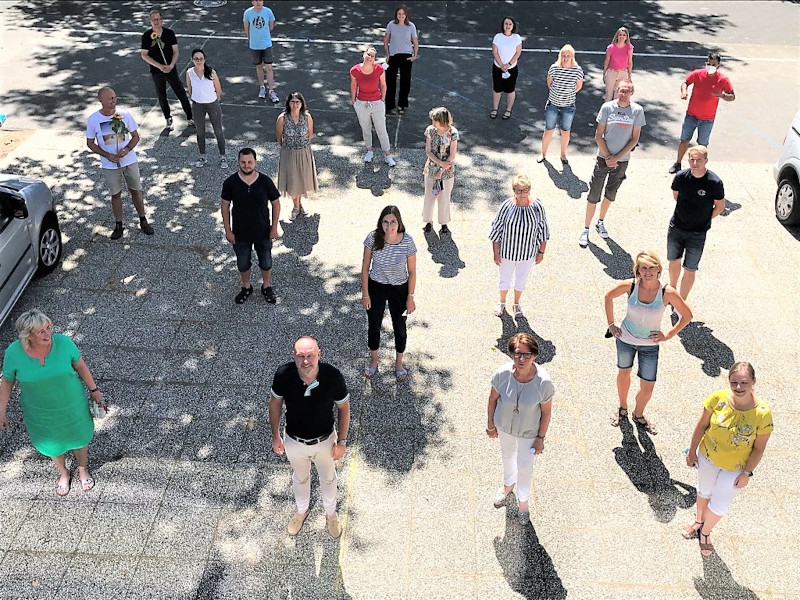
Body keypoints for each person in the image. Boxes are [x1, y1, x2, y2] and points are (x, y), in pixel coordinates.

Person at [0, 310, 105, 497]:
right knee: (51, 443)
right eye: (41, 332)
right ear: (28, 336)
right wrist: (1, 410)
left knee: (79, 438)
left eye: (48, 328)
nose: (48, 334)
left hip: (72, 405)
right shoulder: (13, 353)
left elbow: (80, 366)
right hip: (39, 412)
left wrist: (94, 391)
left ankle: (82, 469)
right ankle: (63, 473)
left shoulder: (64, 343)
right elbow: (7, 381)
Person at [683, 362, 773, 556]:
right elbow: (701, 426)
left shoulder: (762, 413)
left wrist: (747, 473)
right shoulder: (718, 398)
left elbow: (759, 448)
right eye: (734, 382)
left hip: (736, 467)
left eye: (744, 382)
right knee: (704, 491)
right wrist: (692, 451)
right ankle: (699, 520)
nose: (738, 387)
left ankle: (705, 532)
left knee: (721, 503)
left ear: (753, 382)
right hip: (708, 457)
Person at [269, 336, 351, 538]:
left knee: (328, 478)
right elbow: (275, 404)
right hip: (294, 441)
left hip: (324, 442)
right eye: (301, 356)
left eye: (310, 356)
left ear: (319, 355)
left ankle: (331, 514)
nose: (306, 361)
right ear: (294, 357)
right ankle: (301, 510)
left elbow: (344, 408)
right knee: (300, 478)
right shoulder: (283, 374)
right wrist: (276, 436)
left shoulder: (332, 376)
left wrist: (341, 441)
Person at [604, 250, 692, 435]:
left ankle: (638, 414)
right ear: (638, 270)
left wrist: (668, 335)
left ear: (659, 269)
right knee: (623, 373)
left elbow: (687, 315)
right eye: (643, 268)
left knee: (648, 385)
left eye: (651, 267)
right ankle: (622, 408)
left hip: (650, 345)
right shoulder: (631, 286)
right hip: (626, 339)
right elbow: (608, 297)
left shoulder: (667, 292)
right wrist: (611, 324)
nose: (648, 271)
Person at [486, 333, 553, 524]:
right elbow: (492, 399)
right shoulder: (502, 374)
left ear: (534, 356)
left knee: (525, 466)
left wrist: (541, 438)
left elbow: (546, 413)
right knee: (507, 457)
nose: (521, 359)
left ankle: (523, 502)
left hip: (529, 432)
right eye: (517, 354)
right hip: (505, 427)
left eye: (526, 355)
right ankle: (507, 486)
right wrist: (490, 424)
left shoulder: (544, 382)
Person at [578, 79, 645, 248]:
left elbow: (635, 138)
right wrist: (608, 156)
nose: (623, 94)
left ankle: (600, 222)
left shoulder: (637, 111)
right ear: (616, 91)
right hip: (603, 158)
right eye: (621, 90)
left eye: (627, 91)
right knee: (594, 193)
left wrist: (617, 158)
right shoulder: (607, 108)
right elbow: (598, 135)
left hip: (622, 161)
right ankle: (585, 228)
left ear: (632, 92)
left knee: (611, 192)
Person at [86, 86, 155, 240]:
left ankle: (143, 220)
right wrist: (106, 155)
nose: (114, 101)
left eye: (115, 98)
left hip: (129, 161)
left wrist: (128, 149)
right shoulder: (93, 120)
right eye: (110, 98)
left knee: (136, 191)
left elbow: (135, 136)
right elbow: (90, 143)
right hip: (109, 165)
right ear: (101, 100)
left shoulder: (124, 115)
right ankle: (118, 224)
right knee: (115, 194)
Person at [361, 205, 416, 381]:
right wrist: (365, 294)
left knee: (399, 327)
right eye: (385, 222)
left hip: (399, 288)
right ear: (381, 222)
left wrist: (410, 297)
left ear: (398, 222)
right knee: (374, 325)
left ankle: (399, 363)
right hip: (376, 286)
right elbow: (364, 268)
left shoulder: (407, 241)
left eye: (393, 222)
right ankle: (374, 359)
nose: (389, 226)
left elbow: (412, 272)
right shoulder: (373, 238)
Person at [220, 148, 280, 304]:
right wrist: (228, 230)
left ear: (255, 162)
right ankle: (246, 287)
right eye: (243, 162)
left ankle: (266, 286)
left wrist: (274, 227)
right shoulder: (230, 183)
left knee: (266, 262)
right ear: (238, 162)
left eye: (250, 162)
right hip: (240, 233)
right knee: (243, 263)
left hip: (263, 232)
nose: (246, 165)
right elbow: (224, 206)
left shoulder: (265, 181)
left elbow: (276, 203)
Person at [667, 145, 725, 301]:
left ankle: (681, 301)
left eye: (699, 160)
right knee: (674, 260)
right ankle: (671, 292)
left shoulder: (714, 182)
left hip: (698, 233)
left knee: (690, 268)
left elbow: (720, 206)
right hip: (677, 227)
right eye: (692, 159)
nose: (695, 163)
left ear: (706, 161)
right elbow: (676, 196)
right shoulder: (680, 177)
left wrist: (704, 218)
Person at [488, 174, 550, 319]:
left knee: (521, 280)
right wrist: (496, 253)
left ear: (529, 189)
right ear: (513, 190)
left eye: (525, 190)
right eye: (518, 190)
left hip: (527, 253)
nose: (522, 194)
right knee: (504, 279)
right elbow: (496, 229)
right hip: (507, 252)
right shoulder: (506, 206)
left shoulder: (537, 206)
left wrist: (541, 252)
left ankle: (516, 304)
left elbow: (543, 229)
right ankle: (502, 302)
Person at [669, 53, 735, 174]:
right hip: (691, 115)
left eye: (713, 65)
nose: (710, 66)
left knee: (702, 145)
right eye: (708, 64)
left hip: (707, 118)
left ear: (718, 65)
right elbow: (685, 82)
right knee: (684, 140)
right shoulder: (698, 74)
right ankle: (678, 163)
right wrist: (684, 92)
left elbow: (732, 96)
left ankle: (699, 167)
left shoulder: (723, 80)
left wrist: (723, 95)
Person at [140, 8, 193, 130]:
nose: (156, 22)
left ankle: (190, 117)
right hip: (156, 72)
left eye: (158, 19)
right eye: (154, 20)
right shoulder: (147, 36)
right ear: (150, 21)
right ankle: (168, 118)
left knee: (181, 93)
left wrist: (170, 65)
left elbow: (176, 51)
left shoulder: (169, 33)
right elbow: (144, 55)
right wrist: (160, 66)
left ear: (162, 20)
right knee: (162, 95)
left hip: (171, 69)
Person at [538, 44, 584, 164]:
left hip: (568, 106)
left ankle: (563, 154)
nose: (566, 58)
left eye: (568, 56)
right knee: (549, 129)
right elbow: (549, 82)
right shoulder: (554, 68)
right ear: (560, 56)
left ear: (572, 57)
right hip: (553, 104)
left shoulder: (577, 70)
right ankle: (543, 153)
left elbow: (578, 86)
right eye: (564, 55)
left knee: (565, 131)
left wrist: (568, 93)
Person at [276, 92, 319, 221]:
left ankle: (298, 204)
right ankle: (295, 206)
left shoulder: (307, 117)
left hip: (303, 151)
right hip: (289, 153)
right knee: (293, 179)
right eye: (292, 102)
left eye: (297, 102)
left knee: (301, 179)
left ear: (302, 104)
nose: (295, 105)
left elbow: (309, 134)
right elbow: (279, 137)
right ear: (288, 103)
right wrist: (289, 147)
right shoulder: (282, 118)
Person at [350, 47, 396, 166]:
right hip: (362, 103)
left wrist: (382, 100)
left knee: (382, 129)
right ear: (364, 55)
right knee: (366, 128)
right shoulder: (355, 70)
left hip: (376, 103)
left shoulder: (379, 69)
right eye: (368, 55)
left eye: (372, 56)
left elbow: (383, 85)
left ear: (374, 59)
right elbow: (353, 85)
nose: (369, 58)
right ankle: (369, 151)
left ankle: (387, 155)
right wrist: (354, 101)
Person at [186, 48, 227, 169]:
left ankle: (223, 156)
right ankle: (203, 155)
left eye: (201, 59)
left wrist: (215, 100)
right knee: (200, 131)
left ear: (205, 59)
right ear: (192, 60)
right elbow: (190, 89)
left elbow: (218, 89)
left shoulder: (211, 72)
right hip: (198, 105)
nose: (199, 61)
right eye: (196, 59)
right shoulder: (189, 73)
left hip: (212, 104)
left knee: (218, 130)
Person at [422, 107, 459, 235]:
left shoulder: (452, 133)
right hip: (431, 169)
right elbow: (428, 151)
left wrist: (441, 170)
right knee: (429, 196)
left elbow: (452, 155)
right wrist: (439, 164)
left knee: (444, 198)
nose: (433, 123)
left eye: (435, 120)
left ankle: (444, 223)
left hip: (447, 172)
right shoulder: (430, 131)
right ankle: (428, 221)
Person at [383, 4, 419, 116]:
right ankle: (389, 105)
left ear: (406, 15)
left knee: (405, 82)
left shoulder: (411, 26)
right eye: (399, 14)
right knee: (390, 81)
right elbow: (386, 40)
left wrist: (415, 55)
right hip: (394, 56)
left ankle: (402, 105)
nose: (401, 16)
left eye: (403, 14)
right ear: (396, 15)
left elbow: (415, 41)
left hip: (406, 56)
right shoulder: (391, 25)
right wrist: (388, 54)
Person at [243, 0, 279, 102]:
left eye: (260, 0)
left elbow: (271, 26)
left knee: (269, 67)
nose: (258, 3)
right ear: (252, 2)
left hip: (266, 44)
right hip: (254, 45)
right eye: (255, 0)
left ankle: (271, 90)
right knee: (259, 67)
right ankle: (262, 87)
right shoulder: (247, 13)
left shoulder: (268, 12)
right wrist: (252, 39)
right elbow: (247, 28)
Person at [490, 17, 523, 120]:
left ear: (513, 26)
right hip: (498, 68)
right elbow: (495, 51)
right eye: (506, 24)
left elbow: (518, 52)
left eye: (510, 24)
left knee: (510, 90)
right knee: (497, 89)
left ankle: (508, 110)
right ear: (503, 25)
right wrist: (501, 65)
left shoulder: (516, 38)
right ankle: (495, 109)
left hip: (511, 68)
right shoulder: (498, 37)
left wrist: (508, 65)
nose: (508, 26)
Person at [602, 27, 634, 101]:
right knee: (608, 94)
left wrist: (629, 75)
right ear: (617, 36)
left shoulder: (629, 48)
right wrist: (604, 73)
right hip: (611, 72)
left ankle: (616, 111)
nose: (622, 37)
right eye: (620, 35)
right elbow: (607, 61)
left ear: (626, 37)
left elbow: (630, 62)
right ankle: (607, 110)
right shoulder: (610, 48)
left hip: (623, 72)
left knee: (619, 94)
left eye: (624, 35)